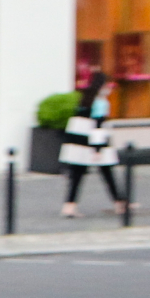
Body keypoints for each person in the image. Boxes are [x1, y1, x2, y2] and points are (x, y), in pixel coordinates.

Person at [59, 66, 120, 216]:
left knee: (77, 176)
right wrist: (98, 149)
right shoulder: (101, 103)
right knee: (107, 172)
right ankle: (120, 203)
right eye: (109, 85)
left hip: (78, 143)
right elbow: (98, 126)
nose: (110, 89)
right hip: (93, 144)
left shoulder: (84, 99)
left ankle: (69, 206)